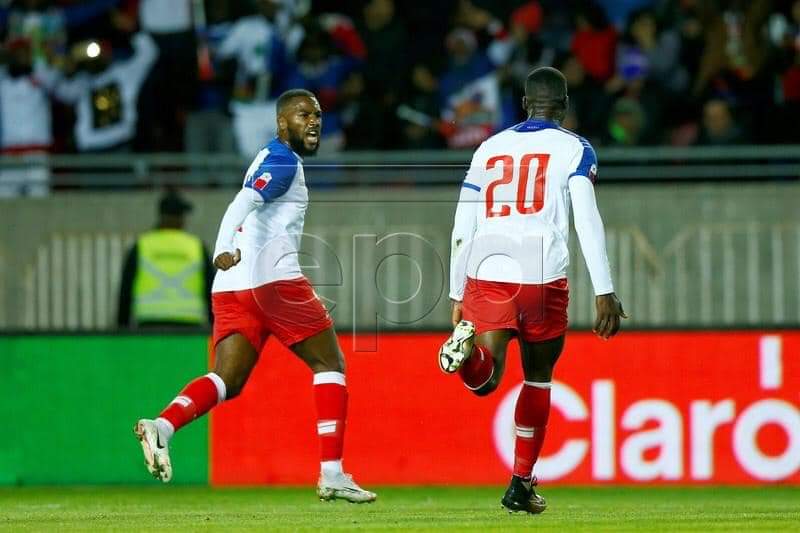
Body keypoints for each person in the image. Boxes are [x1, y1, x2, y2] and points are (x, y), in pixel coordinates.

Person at [133, 89, 376, 504]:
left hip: (232, 288)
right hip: (273, 281)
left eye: (317, 115)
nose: (314, 121)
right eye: (303, 115)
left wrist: (226, 256)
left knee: (227, 380)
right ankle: (332, 473)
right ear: (283, 123)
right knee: (330, 363)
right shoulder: (283, 159)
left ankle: (164, 425)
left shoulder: (268, 157)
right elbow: (242, 201)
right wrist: (220, 247)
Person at [439, 67, 626, 514]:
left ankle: (468, 356)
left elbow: (463, 220)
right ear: (563, 107)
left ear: (524, 104)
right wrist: (605, 290)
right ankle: (521, 482)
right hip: (543, 277)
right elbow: (587, 219)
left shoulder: (490, 146)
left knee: (486, 382)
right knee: (538, 379)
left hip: (487, 268)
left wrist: (455, 290)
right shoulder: (575, 148)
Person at [117, 190, 213, 328]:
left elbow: (125, 292)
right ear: (181, 218)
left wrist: (122, 330)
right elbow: (211, 290)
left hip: (149, 325)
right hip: (189, 327)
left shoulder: (142, 246)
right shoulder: (197, 247)